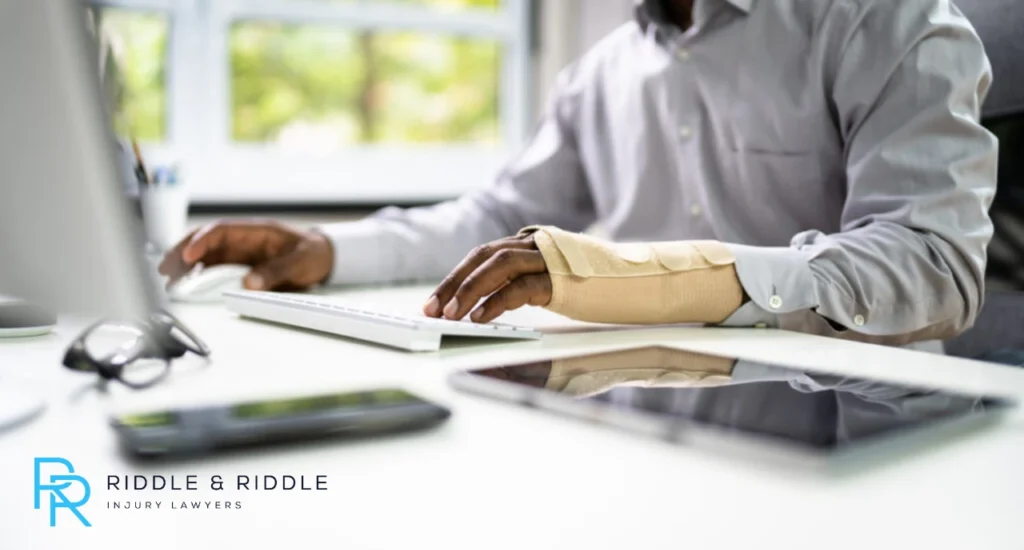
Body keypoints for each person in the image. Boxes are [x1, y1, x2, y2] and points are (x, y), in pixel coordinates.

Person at [160, 0, 998, 352]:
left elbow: (935, 264)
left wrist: (642, 276)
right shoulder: (602, 71)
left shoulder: (885, 21)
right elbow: (498, 218)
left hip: (857, 414)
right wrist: (324, 249)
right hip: (647, 395)